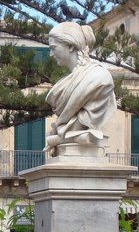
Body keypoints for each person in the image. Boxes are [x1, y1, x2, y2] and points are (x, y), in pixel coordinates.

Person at [44, 21, 116, 157]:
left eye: (53, 48)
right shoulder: (67, 82)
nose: (51, 54)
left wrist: (55, 138)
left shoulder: (99, 78)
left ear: (70, 46)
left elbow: (81, 124)